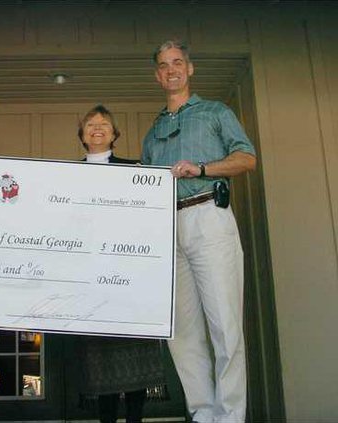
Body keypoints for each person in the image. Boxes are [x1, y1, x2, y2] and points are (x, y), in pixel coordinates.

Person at [142, 40, 257, 422]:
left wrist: (203, 168)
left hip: (209, 215)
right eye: (164, 65)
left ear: (189, 68)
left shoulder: (215, 112)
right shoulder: (153, 132)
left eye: (177, 62)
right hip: (168, 228)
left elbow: (247, 158)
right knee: (182, 331)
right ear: (157, 75)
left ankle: (231, 416)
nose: (171, 70)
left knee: (225, 324)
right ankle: (203, 413)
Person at [78, 105, 166, 423]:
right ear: (82, 135)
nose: (97, 127)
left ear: (114, 134)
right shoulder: (66, 176)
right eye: (91, 124)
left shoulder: (136, 171)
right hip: (91, 281)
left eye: (104, 123)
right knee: (101, 364)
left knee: (135, 360)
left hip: (131, 278)